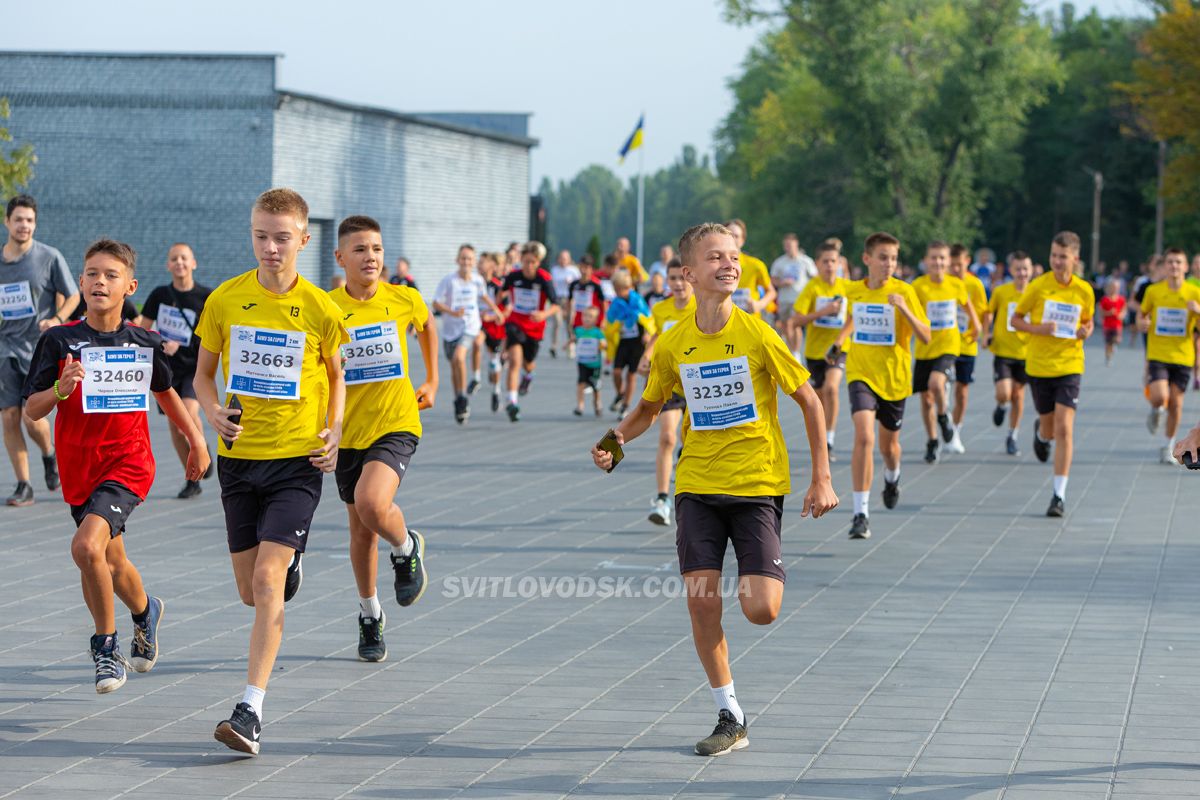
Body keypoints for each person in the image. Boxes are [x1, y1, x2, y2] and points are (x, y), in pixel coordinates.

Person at [591, 221, 836, 757]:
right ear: (689, 273)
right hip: (697, 487)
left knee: (761, 610)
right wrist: (615, 438)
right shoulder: (674, 342)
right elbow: (651, 408)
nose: (729, 264)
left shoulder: (758, 333)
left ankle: (759, 572)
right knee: (702, 605)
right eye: (715, 257)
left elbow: (811, 402)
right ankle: (730, 712)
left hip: (756, 486)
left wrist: (821, 476)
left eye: (734, 256)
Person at [194, 188, 347, 755]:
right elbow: (203, 377)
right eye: (261, 235)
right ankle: (287, 568)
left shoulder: (320, 308)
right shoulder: (226, 301)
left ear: (304, 240)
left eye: (282, 237)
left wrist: (334, 431)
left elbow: (337, 378)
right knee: (249, 591)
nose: (270, 247)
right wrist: (210, 411)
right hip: (237, 462)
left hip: (296, 462)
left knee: (265, 580)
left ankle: (250, 709)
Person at [24, 238, 209, 693]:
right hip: (78, 467)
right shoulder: (58, 340)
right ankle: (146, 611)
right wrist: (61, 391)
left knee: (86, 547)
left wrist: (197, 442)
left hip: (127, 463)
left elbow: (167, 395)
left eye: (110, 275)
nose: (99, 282)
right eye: (91, 274)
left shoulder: (142, 343)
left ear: (131, 286)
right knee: (110, 559)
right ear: (82, 282)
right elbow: (31, 408)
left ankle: (105, 650)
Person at [330, 215, 438, 663]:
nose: (370, 257)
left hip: (396, 422)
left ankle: (407, 546)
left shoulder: (404, 298)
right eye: (359, 250)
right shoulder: (327, 307)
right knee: (360, 531)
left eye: (375, 248)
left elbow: (427, 326)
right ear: (340, 258)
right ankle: (370, 613)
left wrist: (432, 380)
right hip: (347, 433)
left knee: (374, 504)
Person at [829, 232, 931, 540]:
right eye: (883, 257)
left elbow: (926, 335)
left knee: (889, 447)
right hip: (861, 372)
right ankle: (860, 513)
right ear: (867, 259)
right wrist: (839, 341)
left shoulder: (905, 291)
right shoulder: (853, 290)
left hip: (895, 378)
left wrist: (905, 309)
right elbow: (854, 318)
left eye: (894, 259)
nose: (889, 264)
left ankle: (892, 475)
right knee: (863, 437)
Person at [1011, 231, 1095, 518]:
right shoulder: (1038, 287)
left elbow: (1087, 321)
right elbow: (1016, 319)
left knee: (1065, 429)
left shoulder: (1084, 290)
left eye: (1062, 256)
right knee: (1049, 429)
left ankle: (1058, 495)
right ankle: (1039, 433)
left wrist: (1087, 331)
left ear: (1075, 258)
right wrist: (1038, 329)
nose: (1057, 261)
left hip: (1070, 364)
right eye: (1053, 256)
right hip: (1039, 366)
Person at [1, 194, 78, 506]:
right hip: (4, 349)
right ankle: (24, 484)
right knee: (9, 417)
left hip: (37, 350)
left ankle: (49, 454)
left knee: (33, 420)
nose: (24, 225)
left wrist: (57, 320)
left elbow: (72, 295)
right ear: (7, 222)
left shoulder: (49, 256)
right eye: (19, 219)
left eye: (30, 220)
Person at [140, 243, 214, 498]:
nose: (179, 263)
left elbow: (215, 332)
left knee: (189, 412)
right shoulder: (160, 295)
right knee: (175, 426)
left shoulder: (206, 296)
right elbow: (143, 329)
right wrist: (159, 343)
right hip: (168, 369)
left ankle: (201, 447)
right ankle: (192, 478)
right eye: (174, 259)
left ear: (193, 263)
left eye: (184, 258)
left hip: (196, 367)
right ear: (168, 265)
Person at [637, 256, 695, 525]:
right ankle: (662, 499)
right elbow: (657, 336)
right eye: (672, 279)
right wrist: (646, 356)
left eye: (682, 278)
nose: (678, 284)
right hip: (671, 383)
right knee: (667, 438)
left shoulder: (702, 306)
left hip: (699, 384)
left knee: (694, 444)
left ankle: (697, 495)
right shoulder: (661, 309)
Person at [910, 242, 977, 464]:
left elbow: (968, 306)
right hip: (924, 347)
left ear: (948, 261)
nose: (938, 262)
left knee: (936, 384)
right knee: (926, 399)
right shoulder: (918, 286)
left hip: (949, 346)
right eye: (933, 258)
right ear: (926, 261)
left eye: (942, 258)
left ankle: (944, 417)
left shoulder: (956, 285)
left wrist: (976, 326)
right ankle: (932, 440)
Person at [1137, 248, 1200, 464]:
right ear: (1164, 266)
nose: (1174, 266)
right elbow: (1141, 315)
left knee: (1176, 404)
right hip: (1158, 353)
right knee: (1159, 397)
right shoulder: (1153, 291)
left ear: (1185, 266)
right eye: (1170, 262)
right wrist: (1141, 323)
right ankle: (1156, 409)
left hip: (1183, 355)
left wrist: (1198, 311)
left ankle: (1168, 444)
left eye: (1178, 262)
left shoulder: (1194, 292)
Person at [789, 242, 847, 462]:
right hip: (814, 352)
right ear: (817, 264)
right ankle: (823, 438)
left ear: (839, 263)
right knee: (820, 398)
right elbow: (795, 320)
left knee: (832, 389)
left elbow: (852, 318)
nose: (830, 266)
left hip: (838, 348)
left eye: (833, 261)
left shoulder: (846, 287)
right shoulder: (812, 288)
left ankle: (829, 439)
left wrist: (841, 339)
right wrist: (823, 312)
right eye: (825, 262)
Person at [432, 244, 500, 425]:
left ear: (474, 262)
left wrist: (497, 312)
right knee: (454, 365)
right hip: (450, 330)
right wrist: (452, 312)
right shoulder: (449, 281)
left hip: (470, 327)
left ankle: (462, 398)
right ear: (457, 260)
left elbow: (484, 297)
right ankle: (459, 399)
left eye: (469, 259)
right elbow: (436, 303)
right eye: (463, 258)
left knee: (459, 358)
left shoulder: (478, 280)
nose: (466, 262)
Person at [500, 242, 559, 421]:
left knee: (528, 363)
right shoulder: (513, 276)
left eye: (533, 262)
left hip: (534, 327)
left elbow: (556, 306)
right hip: (515, 323)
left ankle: (529, 375)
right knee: (514, 362)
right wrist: (502, 308)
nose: (529, 266)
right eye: (526, 261)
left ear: (538, 262)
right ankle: (512, 402)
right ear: (521, 260)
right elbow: (500, 295)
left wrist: (544, 314)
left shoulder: (544, 279)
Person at [982, 251, 1033, 455]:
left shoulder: (1036, 292)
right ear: (1011, 270)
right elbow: (988, 312)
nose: (1021, 273)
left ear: (1031, 271)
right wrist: (986, 334)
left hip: (1026, 352)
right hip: (1003, 350)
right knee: (1004, 392)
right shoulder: (1001, 291)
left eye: (1025, 269)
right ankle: (1001, 405)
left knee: (1018, 396)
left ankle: (1012, 435)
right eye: (1018, 269)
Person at [944, 243, 988, 454]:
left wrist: (982, 332)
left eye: (958, 265)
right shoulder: (943, 284)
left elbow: (985, 312)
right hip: (944, 345)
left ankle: (956, 431)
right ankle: (942, 426)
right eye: (951, 265)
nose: (954, 269)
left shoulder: (975, 284)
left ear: (967, 262)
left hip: (967, 345)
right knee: (941, 389)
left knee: (962, 392)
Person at [606, 270, 652, 416]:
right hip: (623, 341)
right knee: (616, 372)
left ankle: (625, 405)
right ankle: (620, 393)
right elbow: (610, 321)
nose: (617, 292)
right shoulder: (615, 304)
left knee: (631, 375)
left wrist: (647, 333)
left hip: (637, 343)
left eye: (618, 289)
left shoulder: (637, 300)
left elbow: (647, 318)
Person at [771, 233, 816, 353]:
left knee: (795, 324)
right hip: (785, 298)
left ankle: (795, 352)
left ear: (796, 244)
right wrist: (782, 282)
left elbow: (815, 278)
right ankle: (791, 349)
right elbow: (773, 280)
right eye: (786, 245)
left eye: (790, 245)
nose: (788, 248)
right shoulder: (779, 262)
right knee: (785, 325)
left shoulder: (805, 261)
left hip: (800, 298)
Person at [724, 219, 776, 318]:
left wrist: (759, 304)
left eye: (736, 236)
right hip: (721, 323)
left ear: (742, 240)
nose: (732, 239)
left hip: (750, 320)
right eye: (729, 235)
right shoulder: (713, 266)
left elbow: (772, 292)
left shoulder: (755, 265)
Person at [477, 252, 509, 413]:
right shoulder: (474, 282)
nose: (479, 265)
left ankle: (496, 390)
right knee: (477, 343)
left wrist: (493, 315)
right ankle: (475, 377)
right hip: (478, 324)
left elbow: (507, 307)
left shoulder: (499, 285)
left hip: (495, 326)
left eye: (482, 263)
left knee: (494, 361)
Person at [573, 306, 605, 417]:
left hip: (595, 364)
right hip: (582, 362)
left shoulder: (597, 332)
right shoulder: (578, 330)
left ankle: (597, 403)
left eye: (590, 316)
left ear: (596, 320)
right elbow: (573, 338)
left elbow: (603, 343)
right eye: (585, 316)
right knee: (580, 383)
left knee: (595, 386)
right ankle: (580, 405)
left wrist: (603, 345)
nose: (587, 319)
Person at [547, 249, 579, 358]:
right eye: (561, 258)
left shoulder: (574, 270)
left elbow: (579, 284)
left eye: (565, 258)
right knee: (557, 322)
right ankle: (554, 346)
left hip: (569, 299)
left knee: (570, 323)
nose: (563, 260)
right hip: (558, 299)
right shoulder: (554, 270)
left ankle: (571, 347)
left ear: (569, 259)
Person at [1098, 278, 1126, 366]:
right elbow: (1101, 312)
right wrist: (1109, 313)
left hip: (1117, 324)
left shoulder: (1121, 299)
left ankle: (1114, 346)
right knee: (1108, 343)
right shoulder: (1105, 299)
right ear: (1109, 288)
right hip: (1107, 325)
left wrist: (1122, 315)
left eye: (1116, 287)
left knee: (1117, 340)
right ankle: (1108, 358)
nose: (1114, 289)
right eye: (1113, 287)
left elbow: (1124, 310)